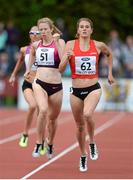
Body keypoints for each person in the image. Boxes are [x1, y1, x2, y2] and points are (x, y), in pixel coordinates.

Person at [59, 18, 116, 172]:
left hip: (93, 88)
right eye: (81, 27)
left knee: (88, 114)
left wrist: (110, 73)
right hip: (76, 91)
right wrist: (66, 57)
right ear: (78, 30)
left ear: (91, 30)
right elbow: (60, 69)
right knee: (79, 126)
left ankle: (91, 142)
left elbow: (109, 54)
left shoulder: (98, 45)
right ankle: (83, 155)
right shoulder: (70, 45)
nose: (84, 29)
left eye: (87, 27)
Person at [24, 17, 65, 158]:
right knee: (42, 110)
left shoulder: (59, 42)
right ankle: (38, 142)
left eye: (45, 29)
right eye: (40, 29)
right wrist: (28, 69)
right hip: (39, 82)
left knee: (53, 120)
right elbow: (31, 55)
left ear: (51, 29)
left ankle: (50, 143)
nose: (42, 32)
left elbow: (62, 62)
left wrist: (57, 42)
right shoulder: (36, 45)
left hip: (56, 86)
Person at [9, 26, 41, 148]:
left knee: (41, 111)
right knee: (33, 106)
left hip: (41, 84)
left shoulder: (45, 49)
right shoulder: (24, 49)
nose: (34, 34)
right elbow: (20, 61)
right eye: (31, 32)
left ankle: (41, 139)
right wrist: (13, 75)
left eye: (36, 32)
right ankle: (25, 134)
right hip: (28, 83)